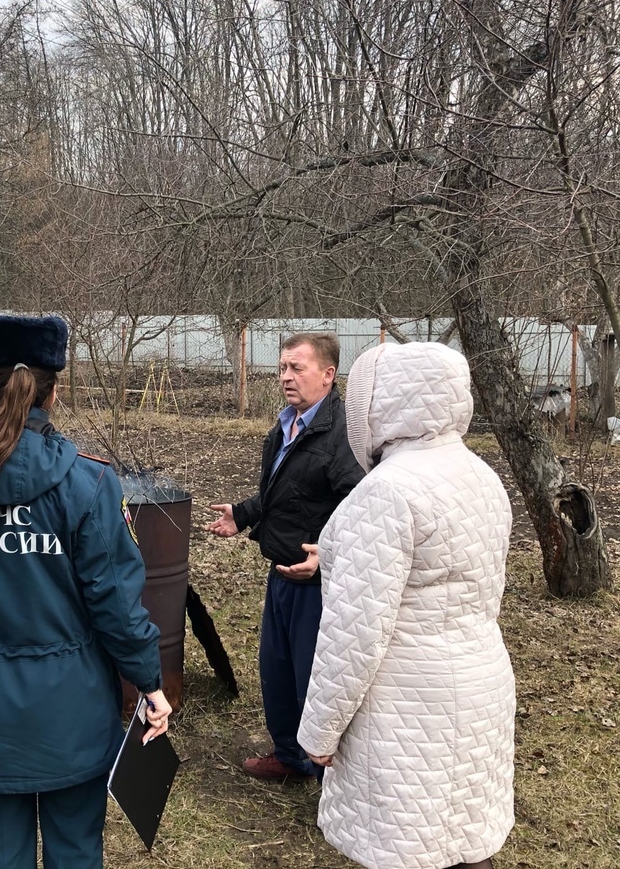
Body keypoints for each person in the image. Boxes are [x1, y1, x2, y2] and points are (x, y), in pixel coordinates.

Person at [0, 313, 172, 869]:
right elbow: (114, 602)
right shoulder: (89, 482)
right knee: (75, 848)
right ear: (54, 391)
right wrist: (148, 682)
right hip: (73, 711)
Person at [297, 342, 515, 869]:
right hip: (481, 686)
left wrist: (319, 731)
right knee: (463, 840)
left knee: (407, 845)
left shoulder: (386, 492)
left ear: (383, 406)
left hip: (407, 703)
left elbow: (355, 634)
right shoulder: (482, 478)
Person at [206, 332, 363, 780]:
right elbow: (284, 493)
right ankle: (289, 756)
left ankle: (327, 773)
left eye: (297, 368)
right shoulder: (288, 424)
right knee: (277, 672)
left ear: (328, 375)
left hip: (318, 583)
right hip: (281, 573)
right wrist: (244, 514)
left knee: (313, 682)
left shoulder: (341, 435)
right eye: (282, 368)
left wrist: (328, 555)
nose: (286, 377)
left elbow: (360, 507)